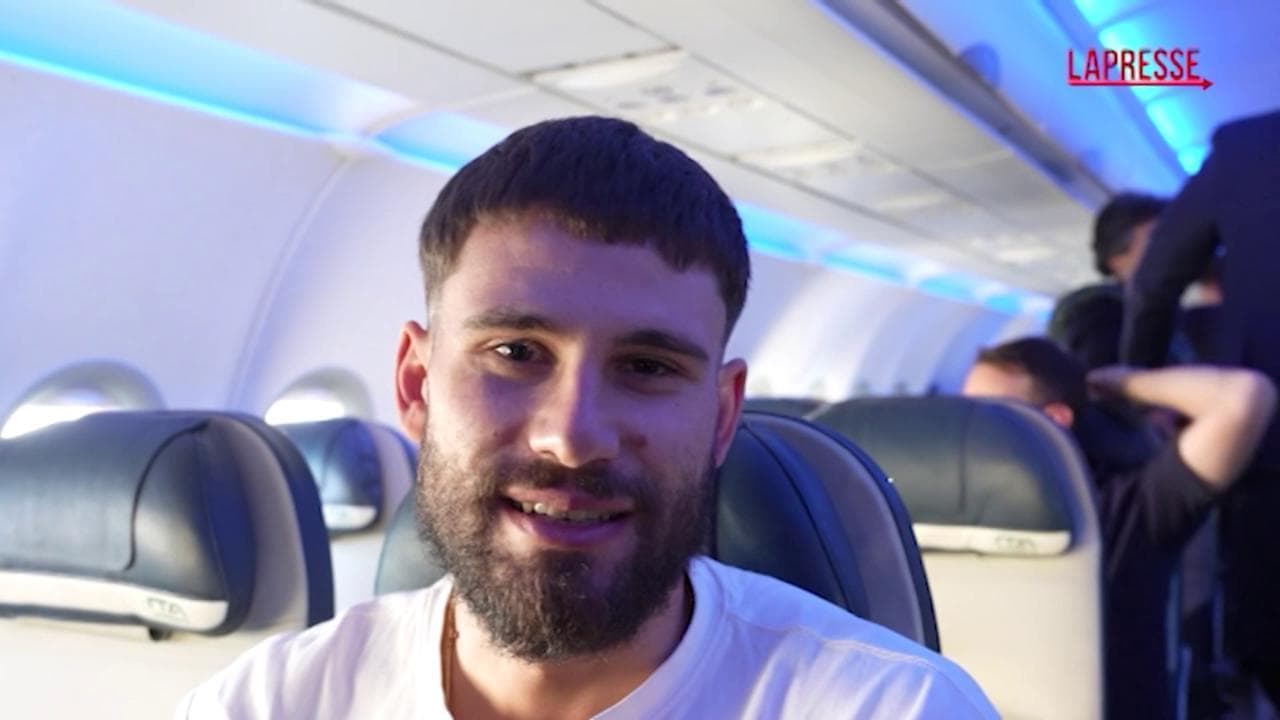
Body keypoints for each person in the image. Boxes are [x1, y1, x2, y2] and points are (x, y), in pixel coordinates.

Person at [177, 116, 998, 719]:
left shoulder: (895, 709)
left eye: (647, 368)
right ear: (417, 385)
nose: (571, 438)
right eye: (515, 352)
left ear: (721, 417)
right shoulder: (268, 704)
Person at [961, 337, 1276, 720]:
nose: (968, 429)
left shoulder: (1126, 509)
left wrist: (1126, 383)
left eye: (990, 412)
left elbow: (1245, 397)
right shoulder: (952, 515)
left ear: (1053, 420)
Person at [1121, 108, 1280, 705]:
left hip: (1270, 436)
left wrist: (1140, 389)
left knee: (1267, 621)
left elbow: (1155, 282)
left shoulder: (1247, 146)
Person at [1048, 192, 1167, 370]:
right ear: (1116, 257)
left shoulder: (1160, 310)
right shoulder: (1100, 312)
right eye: (1158, 239)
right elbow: (1103, 378)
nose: (1173, 247)